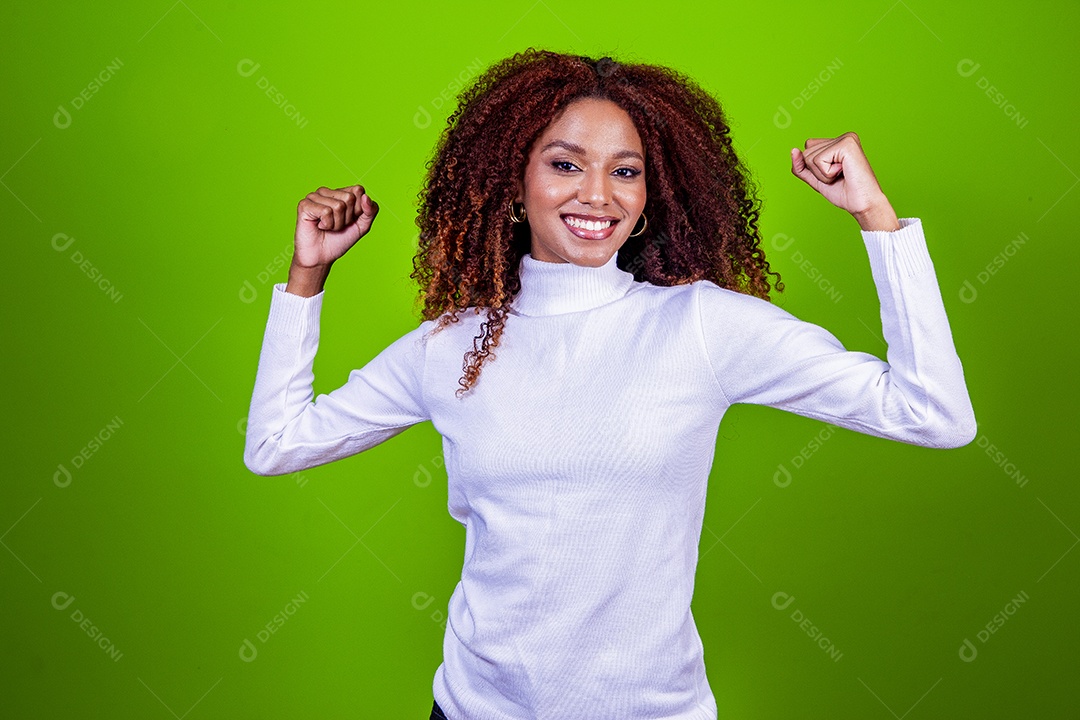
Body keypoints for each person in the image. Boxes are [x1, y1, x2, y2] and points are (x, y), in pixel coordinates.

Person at [243, 49, 976, 720]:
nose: (598, 195)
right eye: (565, 164)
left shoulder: (702, 327)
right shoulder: (451, 344)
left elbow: (933, 414)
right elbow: (275, 445)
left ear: (651, 190)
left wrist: (876, 220)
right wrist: (308, 276)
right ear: (512, 180)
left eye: (625, 171)